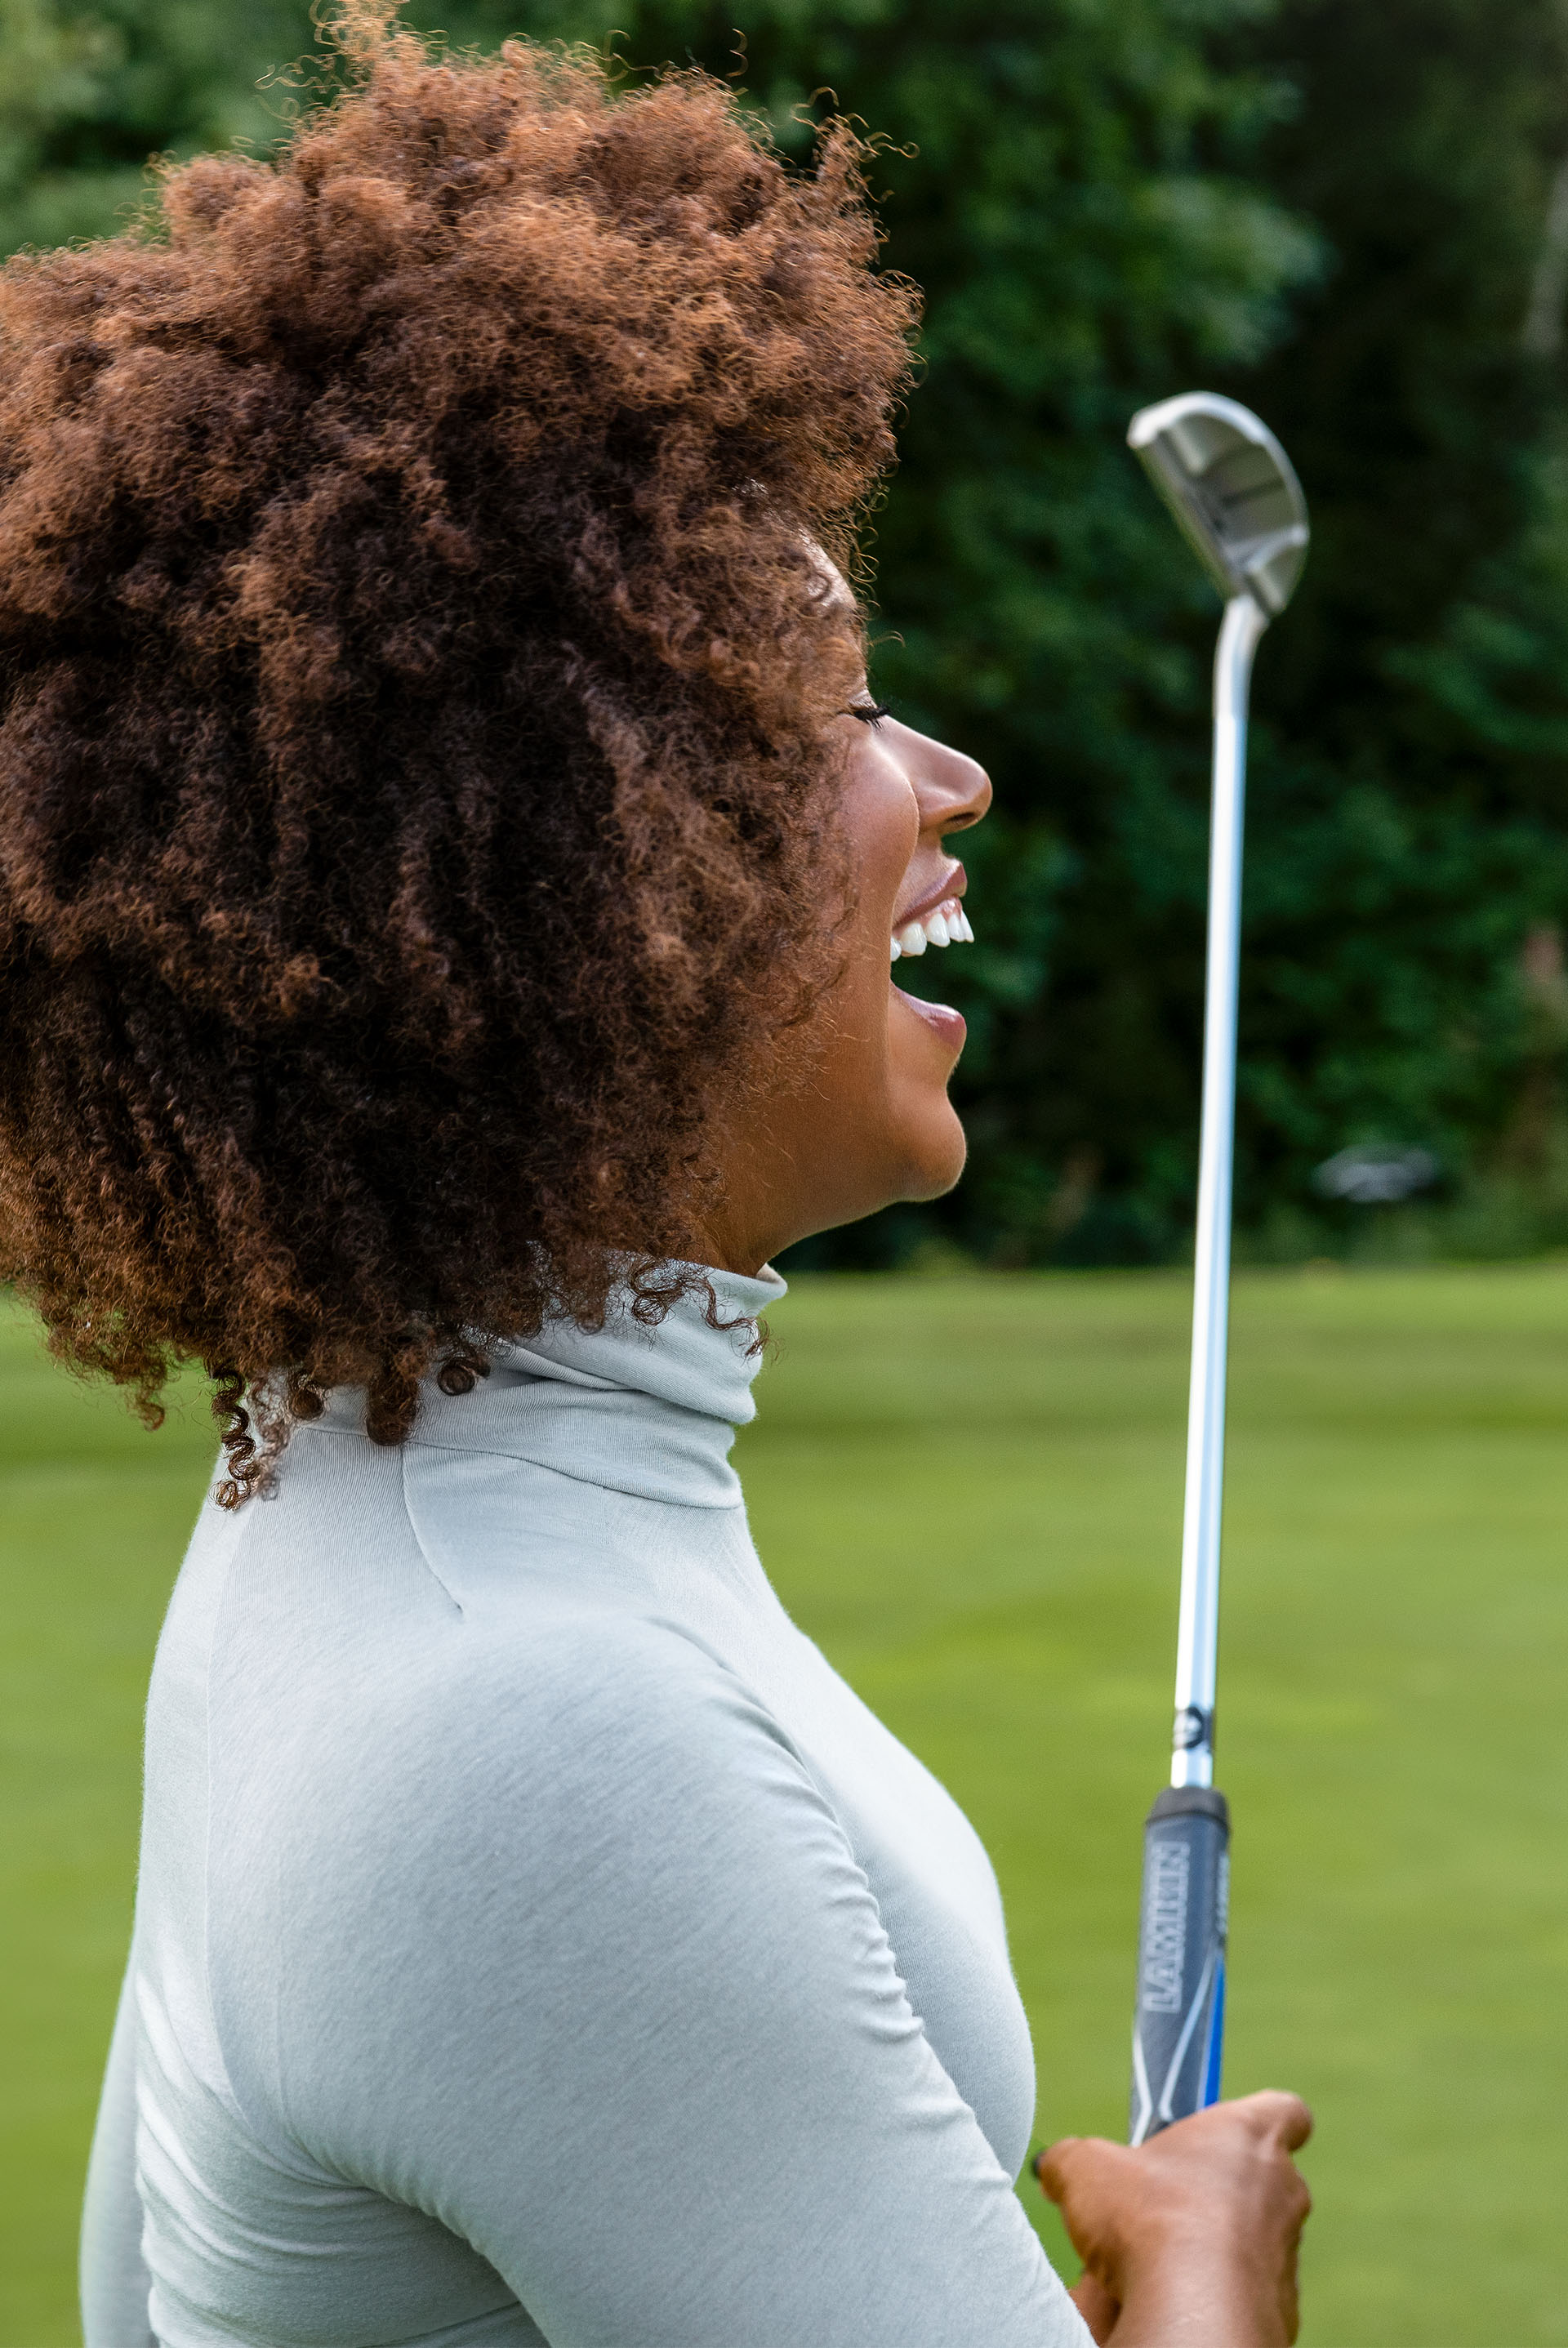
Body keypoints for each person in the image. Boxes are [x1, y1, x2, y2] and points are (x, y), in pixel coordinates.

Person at [0, 10, 1311, 2343]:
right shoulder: (531, 1723)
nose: (951, 780)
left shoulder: (352, 1495)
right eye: (828, 725)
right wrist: (1202, 2291)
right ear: (559, 884)